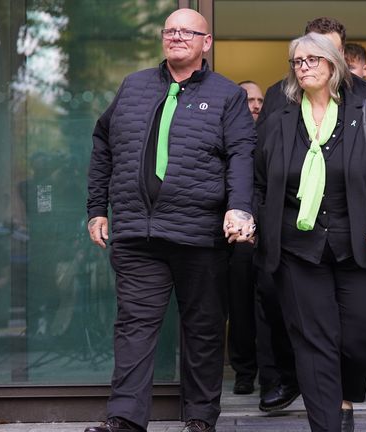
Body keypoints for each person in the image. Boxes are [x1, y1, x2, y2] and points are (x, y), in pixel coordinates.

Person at [85, 8, 256, 432]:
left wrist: (240, 208)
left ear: (206, 42)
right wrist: (96, 209)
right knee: (134, 329)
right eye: (171, 30)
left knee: (203, 330)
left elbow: (241, 156)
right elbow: (103, 142)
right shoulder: (133, 86)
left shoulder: (227, 95)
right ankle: (125, 419)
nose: (177, 37)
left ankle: (199, 419)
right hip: (137, 234)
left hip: (200, 235)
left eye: (188, 31)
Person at [254, 33, 366, 432]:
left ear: (333, 64)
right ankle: (327, 422)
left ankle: (344, 395)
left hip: (358, 241)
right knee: (314, 343)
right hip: (296, 246)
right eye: (297, 62)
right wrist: (254, 219)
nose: (303, 67)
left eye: (312, 60)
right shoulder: (280, 110)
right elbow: (260, 178)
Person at [256, 17, 366, 127]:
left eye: (330, 51)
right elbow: (261, 151)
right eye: (315, 51)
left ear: (341, 53)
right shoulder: (277, 94)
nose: (325, 56)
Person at [225, 80, 265, 396]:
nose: (254, 105)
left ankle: (271, 374)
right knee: (239, 307)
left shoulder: (272, 138)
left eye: (259, 100)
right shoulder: (222, 137)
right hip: (234, 239)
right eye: (248, 99)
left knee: (269, 307)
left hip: (267, 236)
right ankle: (243, 371)